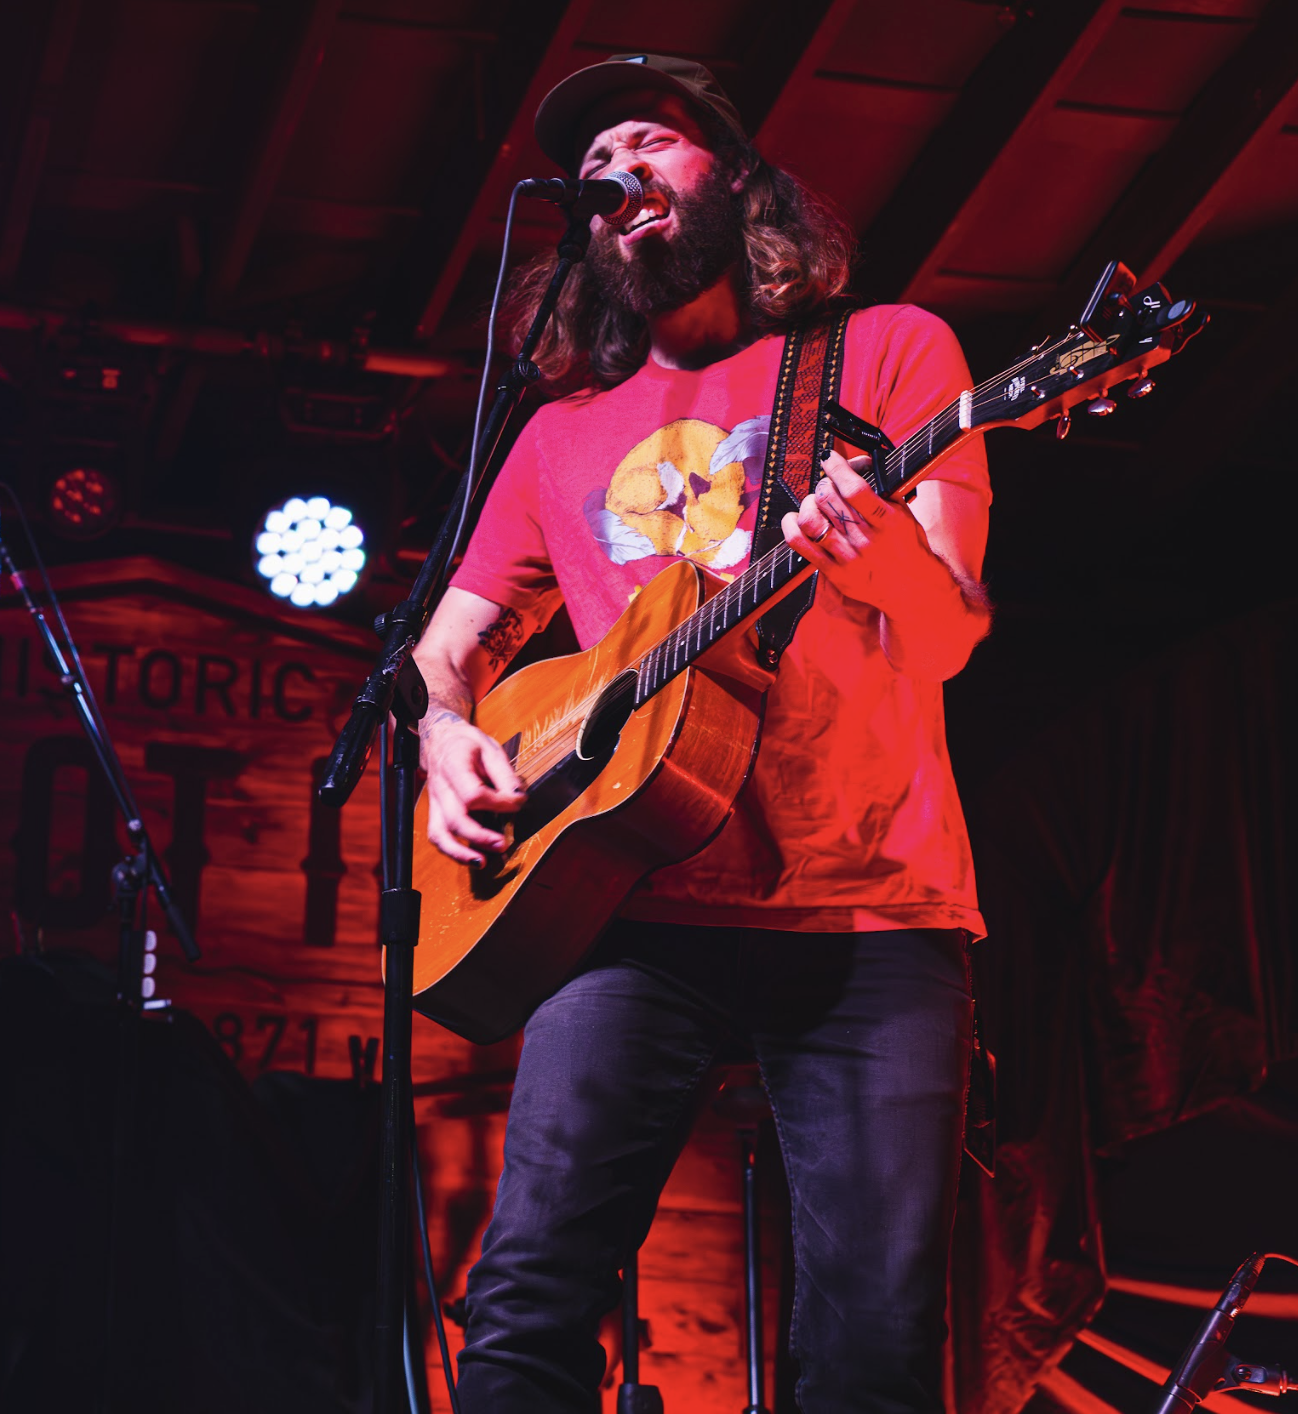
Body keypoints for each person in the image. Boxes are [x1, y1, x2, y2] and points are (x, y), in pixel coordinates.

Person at [417, 56, 993, 1414]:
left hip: (873, 906)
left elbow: (955, 622)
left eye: (649, 143)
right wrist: (446, 734)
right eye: (597, 165)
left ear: (735, 182)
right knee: (524, 1303)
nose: (618, 176)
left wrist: (872, 559)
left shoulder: (891, 351)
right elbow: (449, 646)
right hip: (625, 900)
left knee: (875, 1341)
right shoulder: (558, 434)